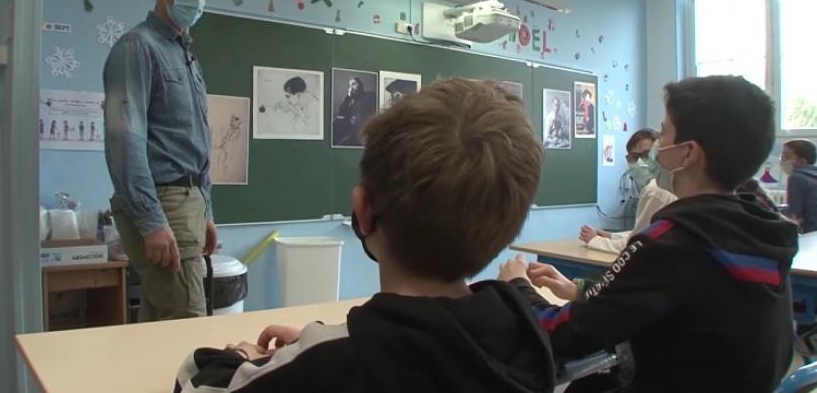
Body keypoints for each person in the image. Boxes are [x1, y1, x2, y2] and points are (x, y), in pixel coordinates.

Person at [174, 79, 555, 393]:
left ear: (363, 209)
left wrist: (244, 360)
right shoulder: (525, 339)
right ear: (509, 223)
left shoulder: (330, 365)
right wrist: (330, 345)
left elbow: (193, 381)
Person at [505, 76, 798, 392]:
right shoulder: (760, 226)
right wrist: (579, 289)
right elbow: (663, 294)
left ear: (688, 153)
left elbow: (564, 334)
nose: (657, 146)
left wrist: (517, 288)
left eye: (664, 133)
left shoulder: (674, 240)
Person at [103, 0, 217, 321]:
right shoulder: (138, 47)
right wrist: (151, 221)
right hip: (164, 200)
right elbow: (125, 139)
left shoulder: (184, 53)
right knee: (187, 325)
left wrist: (207, 214)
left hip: (189, 201)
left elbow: (193, 142)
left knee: (161, 323)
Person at [579, 129, 676, 254]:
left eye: (646, 155)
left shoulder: (654, 191)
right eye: (634, 157)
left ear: (657, 154)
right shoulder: (665, 185)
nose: (640, 162)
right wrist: (610, 236)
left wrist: (595, 240)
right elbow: (644, 232)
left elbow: (634, 245)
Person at [782, 139, 817, 233]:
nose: (782, 160)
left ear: (802, 161)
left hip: (809, 234)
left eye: (786, 156)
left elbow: (794, 216)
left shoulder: (796, 178)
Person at [332, 76, 376, 146]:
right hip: (352, 132)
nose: (351, 88)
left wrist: (356, 119)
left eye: (353, 84)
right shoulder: (353, 105)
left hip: (363, 133)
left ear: (360, 84)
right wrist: (348, 96)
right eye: (349, 85)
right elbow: (341, 114)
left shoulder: (370, 95)